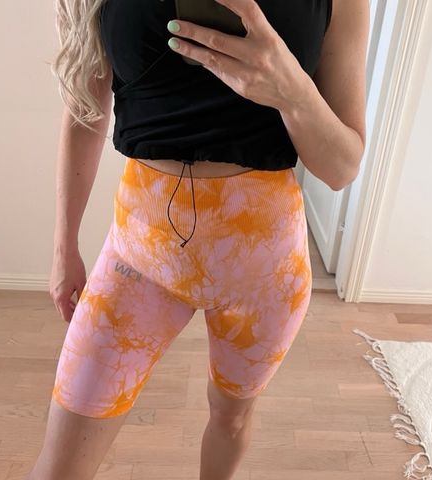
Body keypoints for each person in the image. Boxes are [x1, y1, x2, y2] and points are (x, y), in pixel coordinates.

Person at [26, 0, 368, 479]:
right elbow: (84, 112)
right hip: (139, 258)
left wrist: (293, 92)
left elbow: (341, 168)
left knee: (231, 417)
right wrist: (65, 247)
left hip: (265, 272)